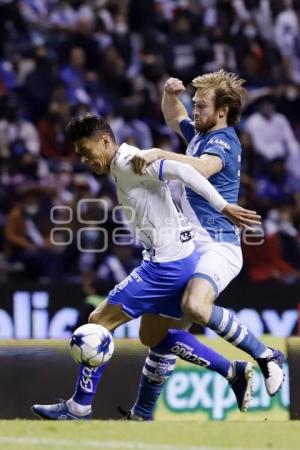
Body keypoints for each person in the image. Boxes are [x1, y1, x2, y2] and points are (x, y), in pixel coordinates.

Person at [32, 114, 260, 420]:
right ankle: (233, 371)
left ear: (105, 141)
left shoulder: (129, 161)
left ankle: (78, 407)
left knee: (97, 322)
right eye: (79, 155)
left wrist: (224, 207)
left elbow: (182, 170)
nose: (84, 159)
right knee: (153, 338)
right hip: (179, 259)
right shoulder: (120, 166)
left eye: (87, 151)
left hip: (165, 267)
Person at [120, 70, 284, 421]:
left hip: (218, 246)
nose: (193, 110)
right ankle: (143, 414)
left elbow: (202, 169)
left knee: (194, 305)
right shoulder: (198, 133)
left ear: (222, 110)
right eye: (193, 104)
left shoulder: (224, 142)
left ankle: (267, 355)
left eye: (201, 105)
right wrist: (168, 92)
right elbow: (173, 114)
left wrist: (157, 152)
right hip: (186, 247)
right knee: (156, 334)